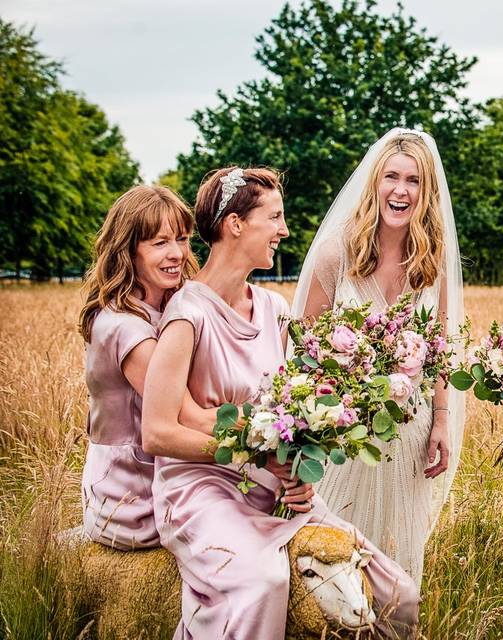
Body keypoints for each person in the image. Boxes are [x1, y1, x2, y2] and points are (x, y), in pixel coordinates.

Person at [142, 167, 419, 639]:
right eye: (274, 217)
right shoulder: (187, 315)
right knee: (266, 581)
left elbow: (292, 409)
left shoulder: (274, 309)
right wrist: (253, 453)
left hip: (271, 485)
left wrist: (296, 471)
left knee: (398, 593)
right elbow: (157, 432)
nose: (284, 230)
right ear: (235, 224)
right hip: (201, 491)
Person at [292, 128, 465, 588]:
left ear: (426, 193)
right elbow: (304, 347)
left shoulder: (433, 259)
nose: (401, 190)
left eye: (413, 181)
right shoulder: (338, 252)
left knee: (398, 552)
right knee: (335, 554)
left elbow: (442, 344)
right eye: (392, 177)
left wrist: (442, 422)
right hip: (345, 431)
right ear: (375, 184)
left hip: (410, 425)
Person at [78, 184, 212, 550]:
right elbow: (189, 417)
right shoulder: (124, 328)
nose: (177, 253)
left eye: (182, 239)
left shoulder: (170, 308)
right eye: (159, 242)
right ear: (129, 250)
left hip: (165, 470)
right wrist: (262, 439)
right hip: (131, 495)